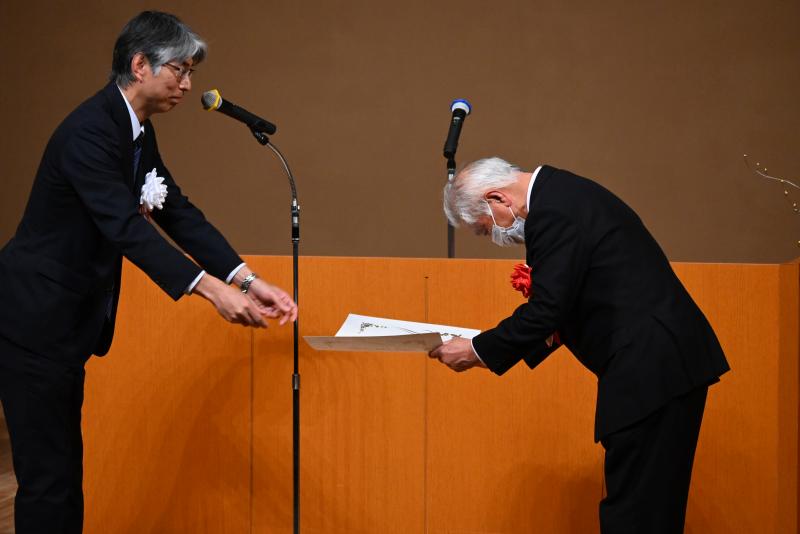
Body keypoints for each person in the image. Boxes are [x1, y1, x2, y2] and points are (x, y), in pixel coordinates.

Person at [0, 11, 297, 534]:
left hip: (63, 324)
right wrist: (211, 290)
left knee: (61, 474)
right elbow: (124, 227)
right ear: (140, 65)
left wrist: (246, 279)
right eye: (179, 70)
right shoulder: (89, 132)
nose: (187, 85)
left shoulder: (134, 131)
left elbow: (174, 210)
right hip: (33, 320)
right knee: (50, 479)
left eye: (190, 73)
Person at [430, 157, 729, 533]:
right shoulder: (563, 195)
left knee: (637, 513)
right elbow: (567, 308)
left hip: (650, 367)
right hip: (662, 363)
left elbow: (548, 310)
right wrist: (489, 348)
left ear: (497, 199)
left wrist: (477, 350)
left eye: (483, 228)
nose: (493, 236)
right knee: (651, 509)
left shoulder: (553, 211)